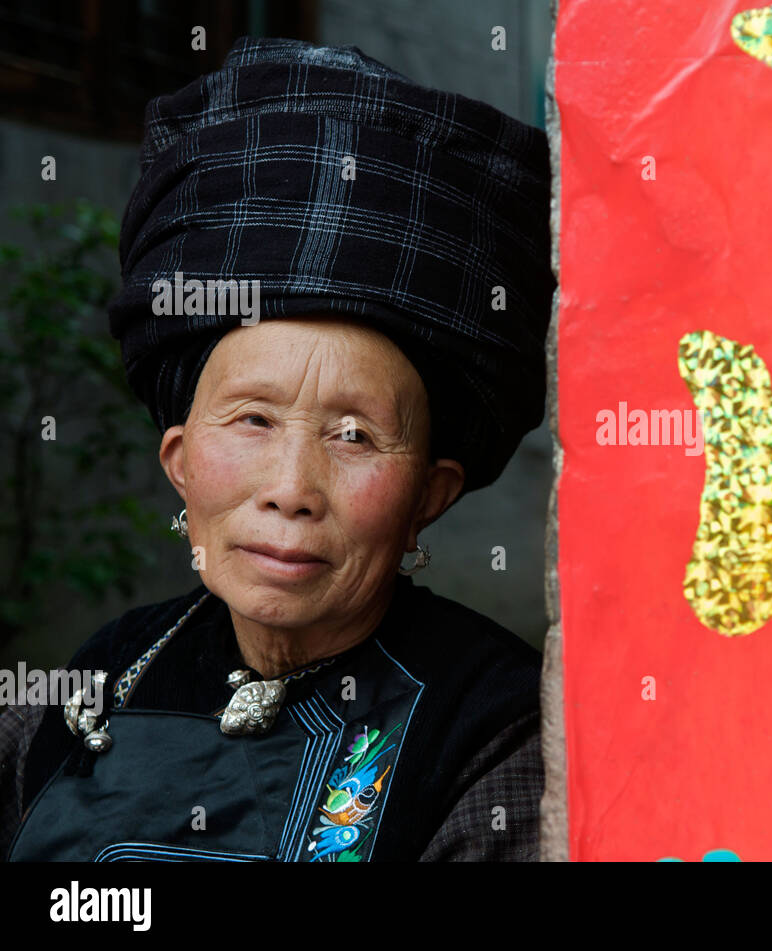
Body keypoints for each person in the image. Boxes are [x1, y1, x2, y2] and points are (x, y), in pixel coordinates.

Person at [0, 36, 554, 861]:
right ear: (179, 459)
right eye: (253, 420)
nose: (292, 488)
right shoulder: (94, 679)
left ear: (430, 494)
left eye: (355, 435)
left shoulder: (490, 726)